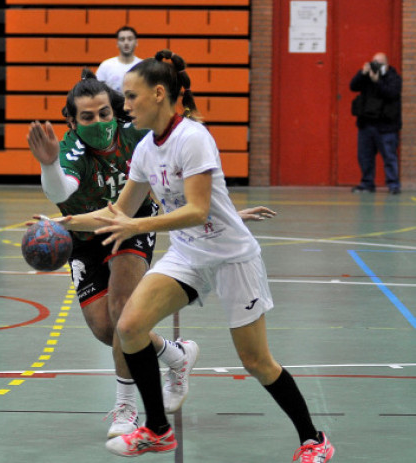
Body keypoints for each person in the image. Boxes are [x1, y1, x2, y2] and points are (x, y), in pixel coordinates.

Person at [52, 51, 334, 461]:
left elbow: (197, 210)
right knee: (128, 327)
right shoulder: (147, 147)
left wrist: (135, 227)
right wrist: (64, 223)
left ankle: (314, 439)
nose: (124, 106)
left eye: (131, 97)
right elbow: (119, 212)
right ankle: (157, 428)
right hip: (187, 254)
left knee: (256, 360)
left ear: (158, 94)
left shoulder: (193, 137)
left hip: (231, 256)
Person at [28, 69, 274, 439]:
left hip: (132, 224)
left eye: (104, 113)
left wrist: (224, 211)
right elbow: (63, 189)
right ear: (72, 120)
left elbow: (179, 183)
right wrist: (48, 163)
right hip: (84, 233)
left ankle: (125, 407)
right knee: (107, 330)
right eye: (87, 117)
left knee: (122, 308)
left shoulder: (136, 135)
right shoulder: (70, 149)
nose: (98, 122)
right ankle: (175, 354)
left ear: (114, 111)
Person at [350, 52, 402, 195]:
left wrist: (377, 81)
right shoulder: (366, 76)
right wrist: (362, 73)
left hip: (386, 127)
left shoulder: (393, 77)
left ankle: (393, 185)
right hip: (366, 125)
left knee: (389, 157)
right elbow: (353, 86)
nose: (376, 65)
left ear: (386, 63)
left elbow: (391, 93)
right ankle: (367, 183)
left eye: (379, 63)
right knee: (365, 157)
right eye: (374, 62)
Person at [96, 26, 142, 94]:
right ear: (117, 43)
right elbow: (97, 91)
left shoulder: (143, 66)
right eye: (122, 39)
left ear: (136, 42)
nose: (126, 42)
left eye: (130, 39)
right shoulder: (105, 66)